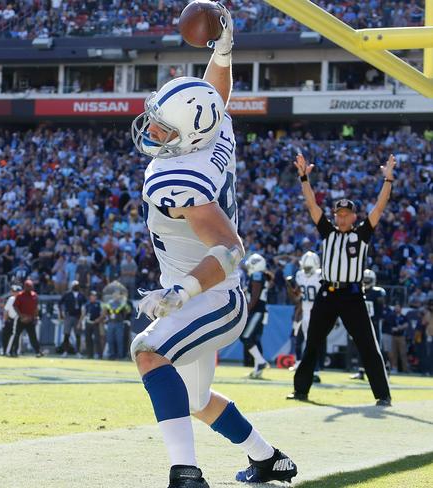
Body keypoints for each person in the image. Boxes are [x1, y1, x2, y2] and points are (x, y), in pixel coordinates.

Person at [130, 7, 297, 485]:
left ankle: (185, 473)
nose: (153, 130)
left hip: (214, 295)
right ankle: (268, 459)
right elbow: (213, 97)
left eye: (164, 127)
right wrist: (222, 50)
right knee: (198, 401)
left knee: (147, 351)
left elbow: (229, 248)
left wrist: (181, 291)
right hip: (201, 291)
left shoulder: (176, 177)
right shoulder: (213, 128)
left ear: (186, 139)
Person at [287, 152, 393, 407]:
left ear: (354, 217)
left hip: (352, 295)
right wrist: (304, 178)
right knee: (312, 342)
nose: (342, 217)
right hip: (328, 293)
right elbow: (312, 205)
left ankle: (383, 395)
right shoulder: (328, 232)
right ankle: (301, 390)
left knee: (368, 344)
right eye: (339, 214)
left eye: (346, 214)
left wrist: (388, 180)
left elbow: (379, 207)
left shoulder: (362, 235)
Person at [286, 251, 323, 383]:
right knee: (305, 342)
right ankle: (309, 369)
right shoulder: (300, 275)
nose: (306, 270)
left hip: (317, 313)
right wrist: (290, 286)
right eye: (305, 267)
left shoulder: (321, 276)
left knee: (312, 343)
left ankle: (316, 371)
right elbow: (298, 297)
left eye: (309, 267)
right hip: (306, 312)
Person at [350, 269, 387, 380]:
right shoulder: (357, 291)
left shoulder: (377, 292)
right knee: (360, 347)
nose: (366, 282)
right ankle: (361, 371)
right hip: (361, 323)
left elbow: (381, 306)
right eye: (364, 279)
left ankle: (382, 371)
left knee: (376, 348)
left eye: (368, 280)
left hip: (374, 323)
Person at [239, 253, 271, 379]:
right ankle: (258, 368)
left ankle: (261, 362)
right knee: (254, 339)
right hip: (260, 311)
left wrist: (246, 310)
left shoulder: (257, 276)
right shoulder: (260, 275)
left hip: (257, 311)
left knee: (245, 337)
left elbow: (255, 297)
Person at [9, 279, 42, 357]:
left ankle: (38, 351)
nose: (29, 288)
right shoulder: (20, 295)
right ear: (25, 287)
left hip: (30, 319)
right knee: (17, 335)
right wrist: (21, 316)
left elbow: (36, 307)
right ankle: (13, 351)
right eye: (28, 287)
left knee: (33, 336)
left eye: (30, 287)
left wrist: (35, 317)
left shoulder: (34, 295)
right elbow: (15, 306)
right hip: (21, 319)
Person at [58, 280, 86, 357]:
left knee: (78, 335)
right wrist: (61, 313)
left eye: (76, 285)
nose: (75, 287)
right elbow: (60, 303)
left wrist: (82, 319)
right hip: (68, 316)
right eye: (74, 285)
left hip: (78, 317)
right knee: (66, 334)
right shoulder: (67, 294)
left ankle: (78, 352)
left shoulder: (81, 295)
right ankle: (65, 351)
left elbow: (84, 306)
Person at [82, 290, 104, 359]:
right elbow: (83, 313)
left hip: (96, 323)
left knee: (97, 339)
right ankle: (89, 354)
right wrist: (81, 322)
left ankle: (99, 355)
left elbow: (103, 313)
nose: (93, 297)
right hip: (88, 323)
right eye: (92, 296)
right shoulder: (87, 304)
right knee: (88, 339)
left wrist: (98, 319)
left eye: (94, 296)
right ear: (90, 297)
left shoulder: (99, 304)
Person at [388, 303, 410, 373]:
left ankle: (405, 369)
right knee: (394, 353)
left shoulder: (404, 317)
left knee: (403, 353)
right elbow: (390, 326)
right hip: (393, 336)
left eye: (398, 307)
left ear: (401, 309)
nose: (397, 309)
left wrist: (400, 327)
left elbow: (406, 324)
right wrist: (394, 328)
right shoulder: (392, 316)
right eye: (396, 307)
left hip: (401, 337)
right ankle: (394, 368)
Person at [2, 284, 21, 355]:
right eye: (14, 291)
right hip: (10, 319)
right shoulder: (11, 299)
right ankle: (5, 350)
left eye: (17, 291)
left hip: (18, 320)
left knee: (16, 336)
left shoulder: (21, 299)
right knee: (6, 335)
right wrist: (5, 320)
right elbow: (6, 310)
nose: (15, 293)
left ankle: (15, 351)